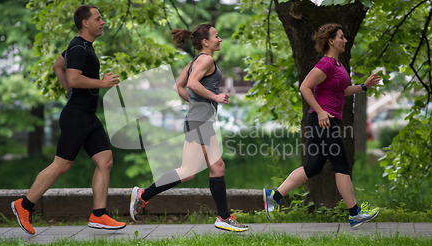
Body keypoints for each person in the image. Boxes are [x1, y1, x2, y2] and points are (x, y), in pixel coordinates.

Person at [11, 5, 126, 235]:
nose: (102, 22)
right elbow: (73, 78)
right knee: (62, 164)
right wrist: (100, 84)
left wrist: (71, 92)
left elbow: (57, 66)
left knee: (105, 160)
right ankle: (24, 205)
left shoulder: (81, 47)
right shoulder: (78, 47)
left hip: (87, 116)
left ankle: (99, 214)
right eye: (98, 18)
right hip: (76, 116)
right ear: (85, 23)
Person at [129, 23, 248, 232]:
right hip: (200, 121)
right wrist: (214, 97)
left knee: (216, 167)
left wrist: (197, 104)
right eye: (216, 36)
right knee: (188, 171)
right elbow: (192, 84)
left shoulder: (195, 61)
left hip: (201, 119)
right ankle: (143, 195)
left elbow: (178, 86)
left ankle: (223, 216)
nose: (220, 39)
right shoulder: (207, 59)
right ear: (205, 42)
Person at [263, 23, 381, 228]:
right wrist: (320, 111)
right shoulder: (326, 63)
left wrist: (364, 86)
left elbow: (341, 91)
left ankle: (274, 196)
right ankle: (355, 214)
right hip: (323, 121)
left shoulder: (338, 65)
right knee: (342, 164)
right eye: (341, 37)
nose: (345, 40)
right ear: (331, 41)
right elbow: (305, 87)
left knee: (313, 166)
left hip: (326, 120)